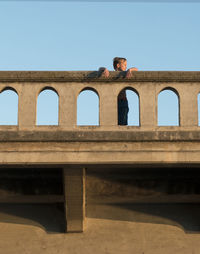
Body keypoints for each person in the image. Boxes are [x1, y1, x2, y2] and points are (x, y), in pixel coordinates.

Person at [99, 57, 138, 125]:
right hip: (113, 102)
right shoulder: (110, 74)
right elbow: (99, 69)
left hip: (123, 101)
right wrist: (104, 69)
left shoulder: (126, 74)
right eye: (125, 65)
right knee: (111, 123)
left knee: (123, 122)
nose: (126, 67)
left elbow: (136, 69)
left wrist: (130, 69)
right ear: (118, 65)